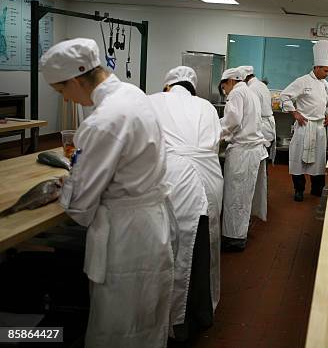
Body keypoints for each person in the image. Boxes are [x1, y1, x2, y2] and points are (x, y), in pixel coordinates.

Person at [40, 38, 174, 347]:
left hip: (125, 236)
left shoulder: (103, 121)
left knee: (118, 326)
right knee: (146, 319)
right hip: (151, 223)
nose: (69, 100)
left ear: (75, 80)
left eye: (62, 92)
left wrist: (68, 187)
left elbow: (79, 205)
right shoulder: (133, 95)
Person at [149, 66, 224, 340]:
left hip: (171, 180)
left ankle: (172, 323)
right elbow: (215, 143)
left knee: (171, 249)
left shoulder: (152, 101)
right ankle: (200, 315)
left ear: (168, 86)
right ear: (191, 89)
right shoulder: (206, 107)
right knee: (202, 245)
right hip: (208, 179)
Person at [219, 68, 268, 251]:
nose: (224, 91)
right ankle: (239, 233)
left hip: (243, 152)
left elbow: (232, 121)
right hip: (252, 151)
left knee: (235, 196)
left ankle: (234, 239)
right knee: (243, 196)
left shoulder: (237, 92)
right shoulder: (249, 91)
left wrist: (212, 132)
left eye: (223, 87)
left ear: (229, 81)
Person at [280, 40, 328, 202]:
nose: (327, 74)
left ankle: (317, 189)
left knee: (319, 162)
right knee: (298, 160)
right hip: (304, 126)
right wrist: (295, 112)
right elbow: (284, 96)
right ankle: (299, 190)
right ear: (316, 67)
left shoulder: (325, 84)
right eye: (325, 70)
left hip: (319, 128)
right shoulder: (302, 81)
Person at [239, 65, 276, 162]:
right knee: (263, 161)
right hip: (267, 127)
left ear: (245, 77)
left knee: (258, 163)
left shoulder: (252, 88)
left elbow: (251, 111)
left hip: (261, 128)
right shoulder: (261, 84)